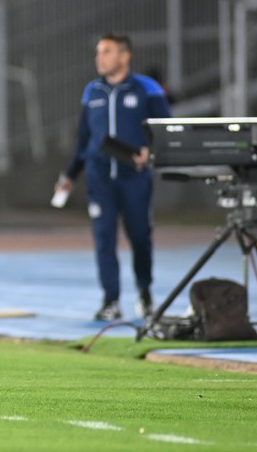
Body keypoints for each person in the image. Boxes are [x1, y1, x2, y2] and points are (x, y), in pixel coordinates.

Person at [56, 33, 171, 321]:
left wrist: (150, 152)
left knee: (140, 237)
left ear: (124, 55)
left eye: (106, 52)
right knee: (104, 239)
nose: (100, 58)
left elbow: (166, 131)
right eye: (98, 52)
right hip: (99, 180)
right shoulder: (91, 92)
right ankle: (111, 300)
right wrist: (70, 174)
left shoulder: (147, 89)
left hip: (135, 179)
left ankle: (145, 293)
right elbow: (84, 139)